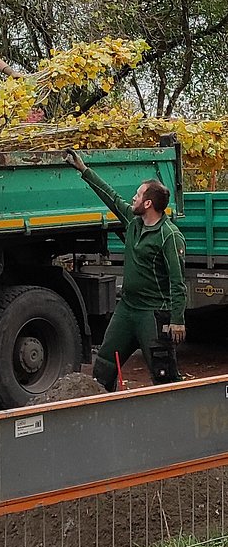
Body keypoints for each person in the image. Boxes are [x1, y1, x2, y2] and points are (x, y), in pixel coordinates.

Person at [64, 148, 187, 391]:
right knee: (104, 366)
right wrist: (84, 170)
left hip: (152, 314)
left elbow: (177, 282)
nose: (133, 198)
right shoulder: (133, 222)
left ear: (148, 203)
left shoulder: (169, 235)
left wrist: (177, 320)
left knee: (164, 375)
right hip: (127, 309)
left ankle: (174, 418)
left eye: (138, 195)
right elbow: (110, 196)